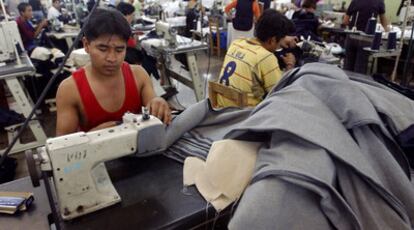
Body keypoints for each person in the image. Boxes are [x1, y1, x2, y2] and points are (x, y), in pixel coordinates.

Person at [55, 8, 171, 136]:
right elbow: (62, 147)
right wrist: (95, 136)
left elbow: (153, 106)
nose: (112, 58)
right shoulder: (69, 90)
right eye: (103, 49)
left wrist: (158, 103)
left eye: (119, 50)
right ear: (86, 45)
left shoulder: (139, 76)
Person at [216, 9, 296, 108]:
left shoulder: (237, 43)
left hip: (220, 108)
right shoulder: (266, 57)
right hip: (243, 115)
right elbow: (280, 94)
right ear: (273, 40)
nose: (278, 47)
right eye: (278, 43)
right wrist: (290, 65)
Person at [342, 0, 389, 73]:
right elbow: (384, 23)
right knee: (359, 69)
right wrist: (388, 33)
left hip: (352, 36)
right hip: (366, 40)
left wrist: (354, 26)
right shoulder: (379, 1)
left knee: (347, 67)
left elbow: (345, 21)